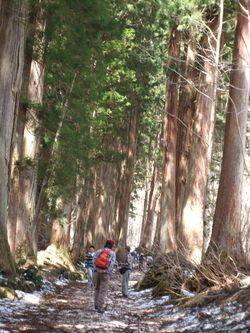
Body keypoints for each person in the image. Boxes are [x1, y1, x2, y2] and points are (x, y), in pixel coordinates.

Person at [93, 239, 116, 313]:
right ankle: (100, 307)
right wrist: (107, 272)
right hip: (105, 273)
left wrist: (95, 269)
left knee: (97, 288)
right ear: (112, 246)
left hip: (96, 272)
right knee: (103, 290)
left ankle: (96, 304)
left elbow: (94, 260)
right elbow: (112, 264)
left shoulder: (99, 251)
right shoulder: (112, 253)